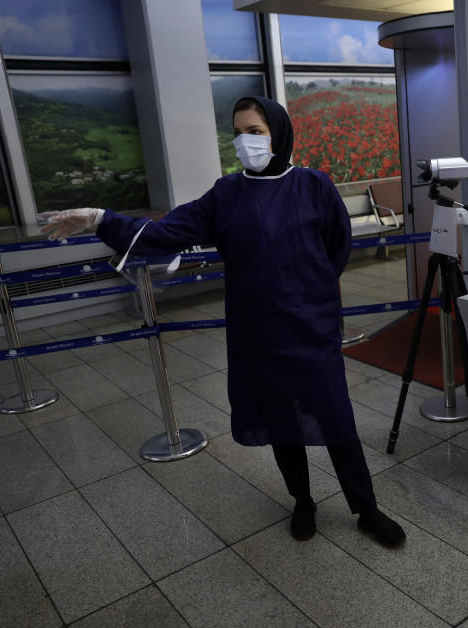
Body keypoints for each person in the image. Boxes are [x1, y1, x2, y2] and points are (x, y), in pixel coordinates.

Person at [41, 96, 406, 547]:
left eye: (254, 131)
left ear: (278, 133)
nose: (244, 141)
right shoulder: (226, 195)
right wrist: (99, 218)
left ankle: (366, 509)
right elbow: (165, 233)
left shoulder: (314, 186)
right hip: (258, 330)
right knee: (279, 420)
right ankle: (303, 501)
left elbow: (338, 247)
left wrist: (310, 296)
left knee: (335, 418)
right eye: (238, 132)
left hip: (311, 327)